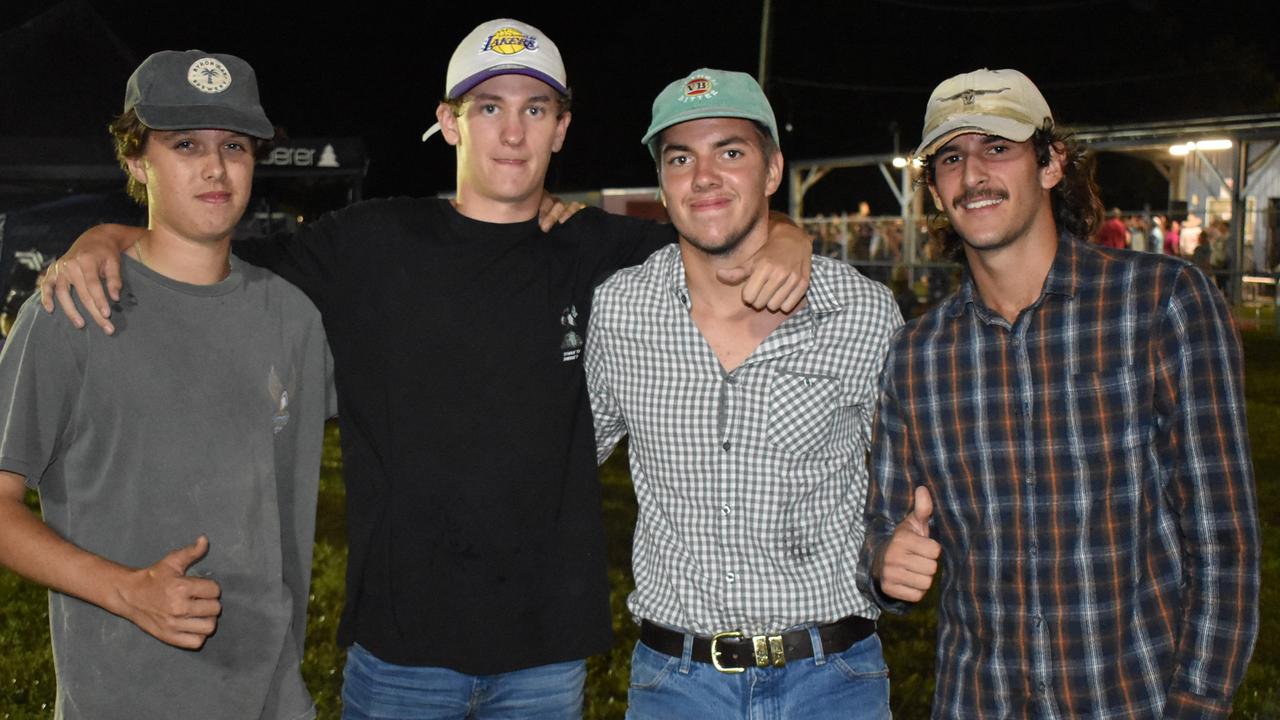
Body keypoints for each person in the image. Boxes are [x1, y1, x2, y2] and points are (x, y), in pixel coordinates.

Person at [42, 21, 812, 719]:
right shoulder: (368, 244)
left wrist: (784, 233)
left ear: (562, 129)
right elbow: (206, 256)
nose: (512, 131)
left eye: (535, 109)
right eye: (487, 107)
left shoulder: (599, 254)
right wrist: (106, 234)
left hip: (545, 651)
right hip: (399, 649)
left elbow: (721, 234)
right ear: (449, 123)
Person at [858, 68, 1258, 718]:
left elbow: (1223, 537)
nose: (973, 175)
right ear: (934, 186)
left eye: (998, 147)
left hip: (1133, 699)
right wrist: (885, 562)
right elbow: (884, 527)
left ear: (1050, 164)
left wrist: (1200, 700)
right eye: (951, 158)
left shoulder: (1163, 302)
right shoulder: (918, 354)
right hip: (977, 700)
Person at [0, 50, 333, 719]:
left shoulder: (294, 318)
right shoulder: (72, 308)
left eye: (233, 146)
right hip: (122, 698)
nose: (214, 167)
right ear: (135, 160)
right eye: (185, 144)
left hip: (272, 697)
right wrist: (126, 591)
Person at [587, 68, 901, 719]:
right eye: (681, 157)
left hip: (832, 680)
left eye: (730, 151)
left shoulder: (862, 314)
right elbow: (560, 459)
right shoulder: (619, 312)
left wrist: (894, 553)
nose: (703, 176)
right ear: (663, 183)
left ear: (772, 169)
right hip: (677, 684)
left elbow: (908, 483)